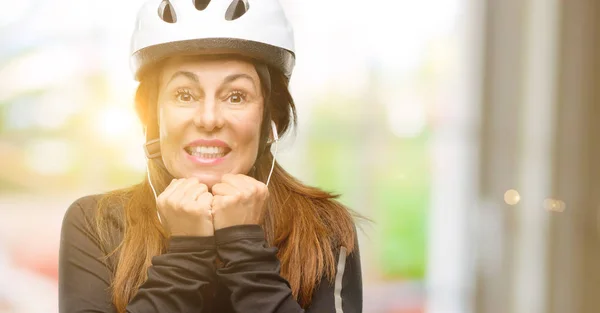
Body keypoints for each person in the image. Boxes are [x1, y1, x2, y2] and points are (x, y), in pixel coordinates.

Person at [58, 0, 363, 312]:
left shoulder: (323, 227)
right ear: (152, 114)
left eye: (236, 96)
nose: (208, 119)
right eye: (184, 95)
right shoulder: (96, 222)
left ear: (268, 116)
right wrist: (186, 257)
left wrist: (245, 249)